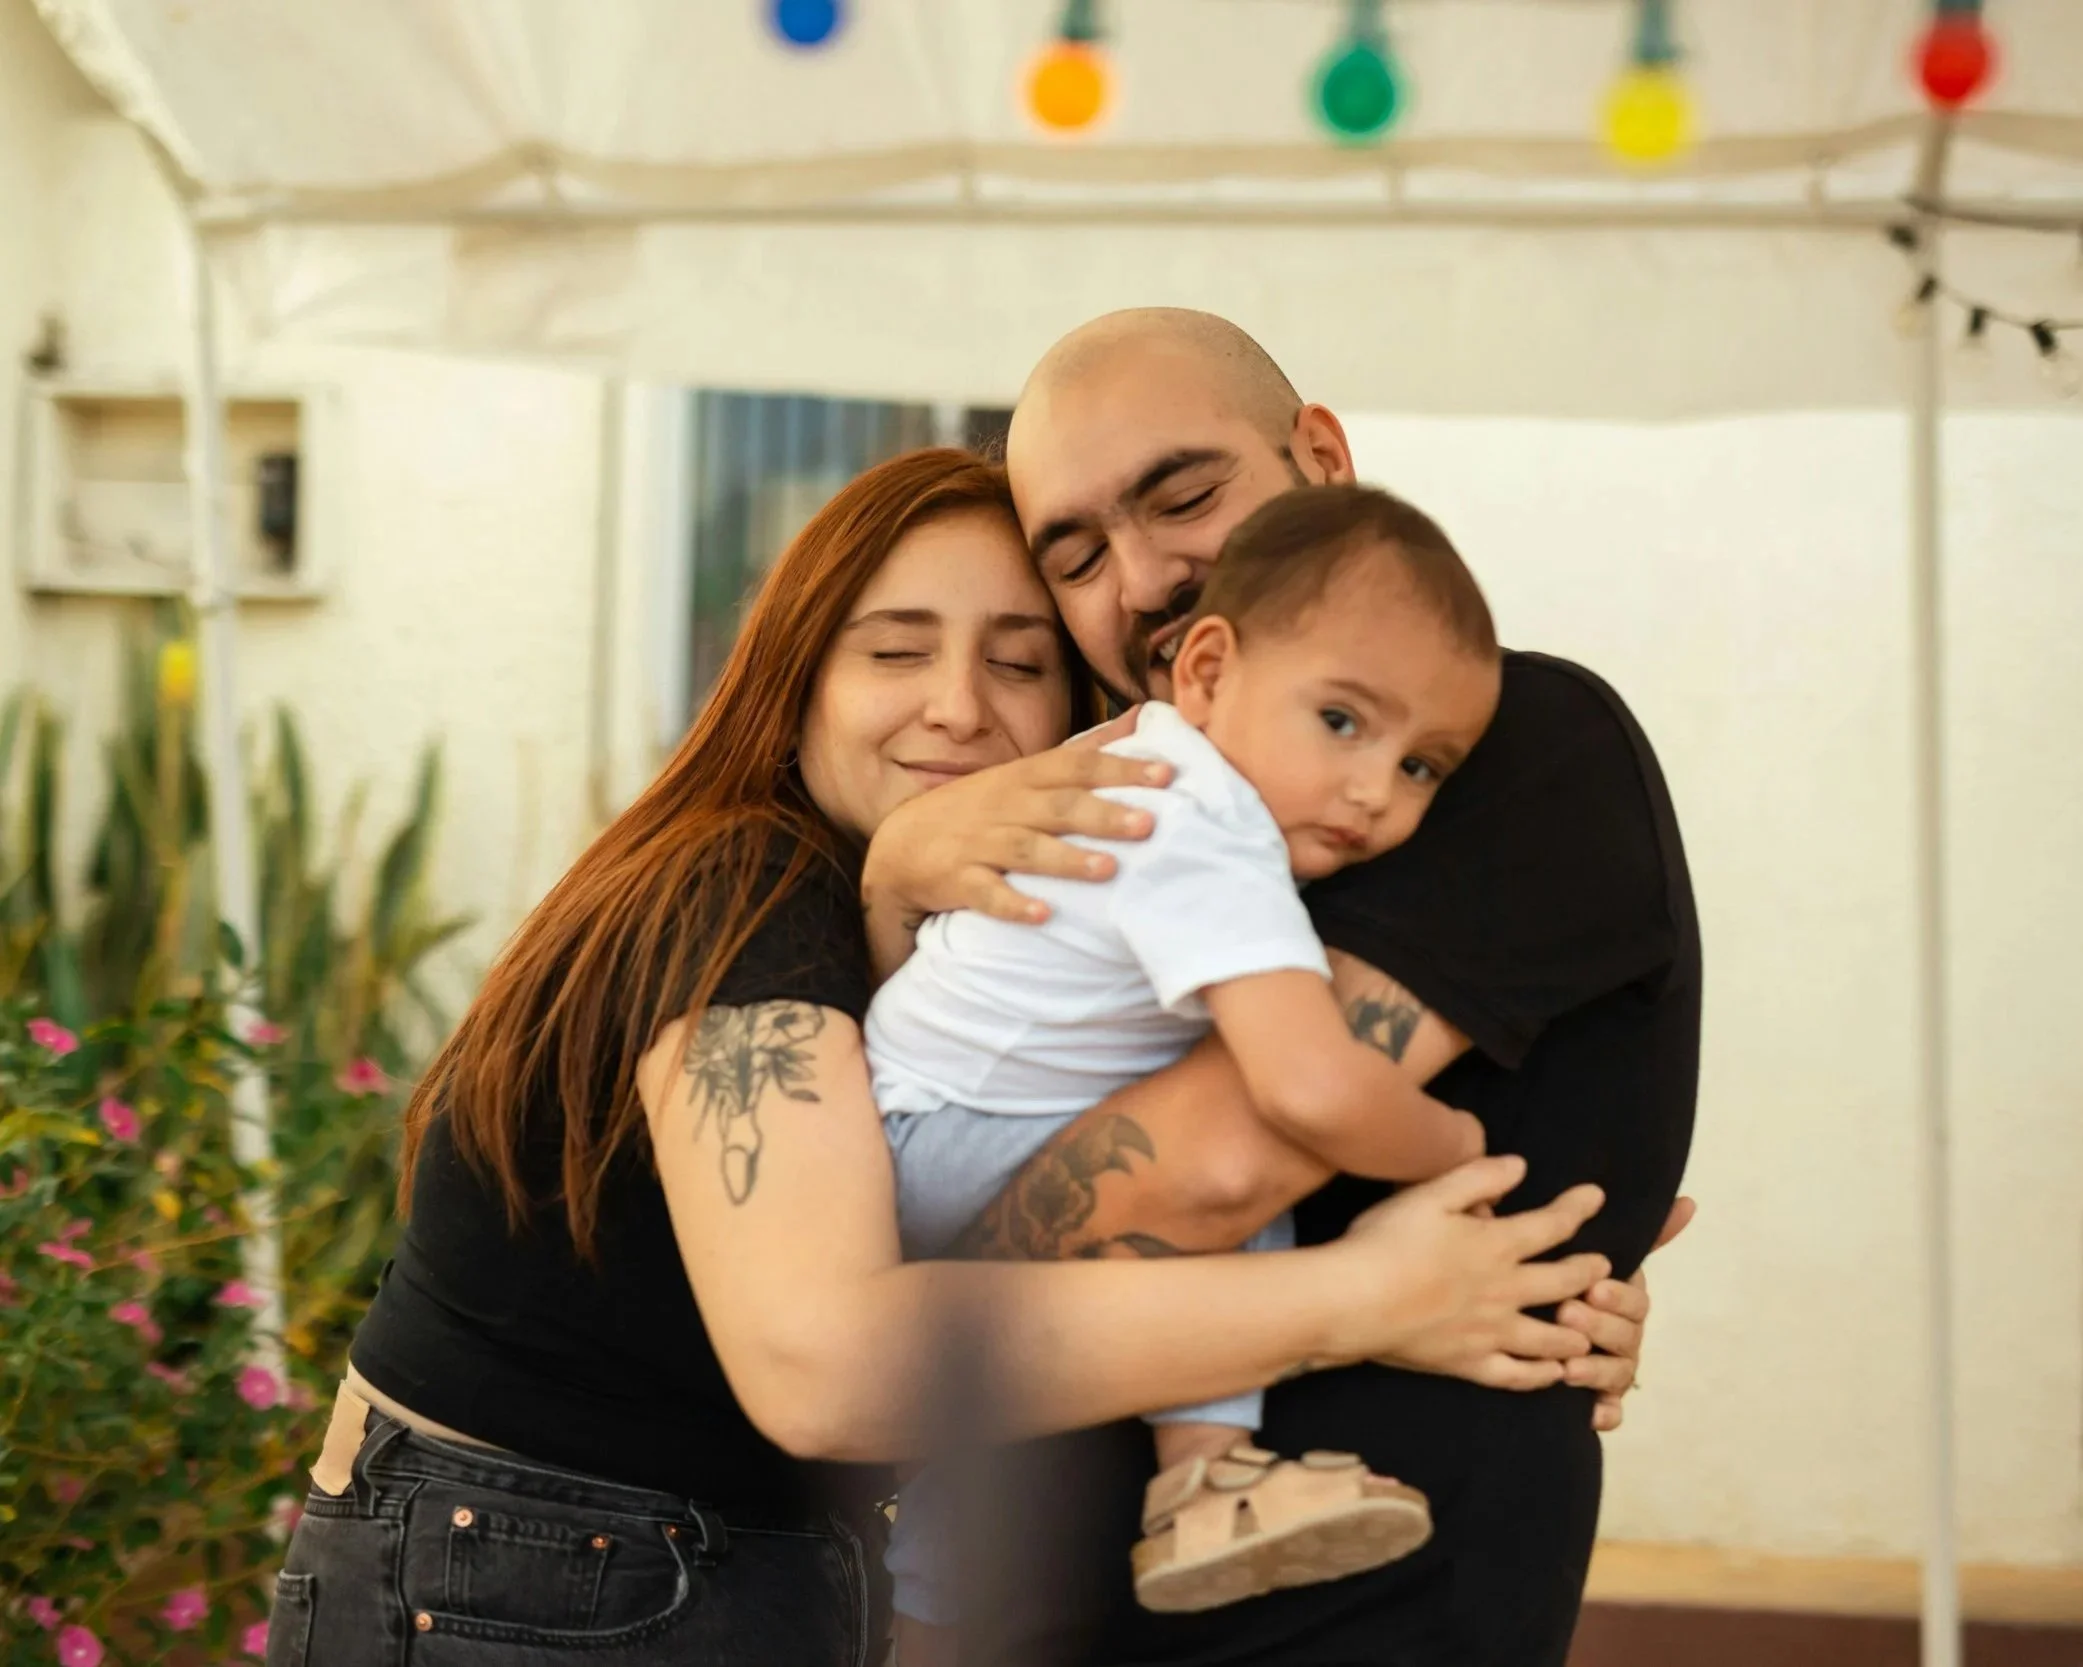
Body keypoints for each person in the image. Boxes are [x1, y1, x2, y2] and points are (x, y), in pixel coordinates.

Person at [266, 448, 1621, 1667]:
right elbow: (824, 1366)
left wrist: (1540, 1283)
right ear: (795, 678)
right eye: (895, 650)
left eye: (1019, 664)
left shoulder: (1003, 932)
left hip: (677, 1560)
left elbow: (1120, 1186)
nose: (959, 707)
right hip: (530, 1569)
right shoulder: (739, 891)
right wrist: (1370, 1295)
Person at [862, 312, 1702, 1667]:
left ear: (1320, 455)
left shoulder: (1518, 742)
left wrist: (878, 1313)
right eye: (1075, 557)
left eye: (1183, 495)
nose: (1143, 577)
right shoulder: (1131, 800)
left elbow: (1208, 1169)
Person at [872, 485, 1502, 1626]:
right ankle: (1201, 1482)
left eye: (1423, 766)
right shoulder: (1203, 825)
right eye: (1343, 721)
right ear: (1206, 670)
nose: (1374, 789)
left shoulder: (1151, 763)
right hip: (947, 1131)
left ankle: (984, 1568)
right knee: (1229, 1151)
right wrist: (1459, 1146)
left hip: (924, 1114)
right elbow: (1312, 1087)